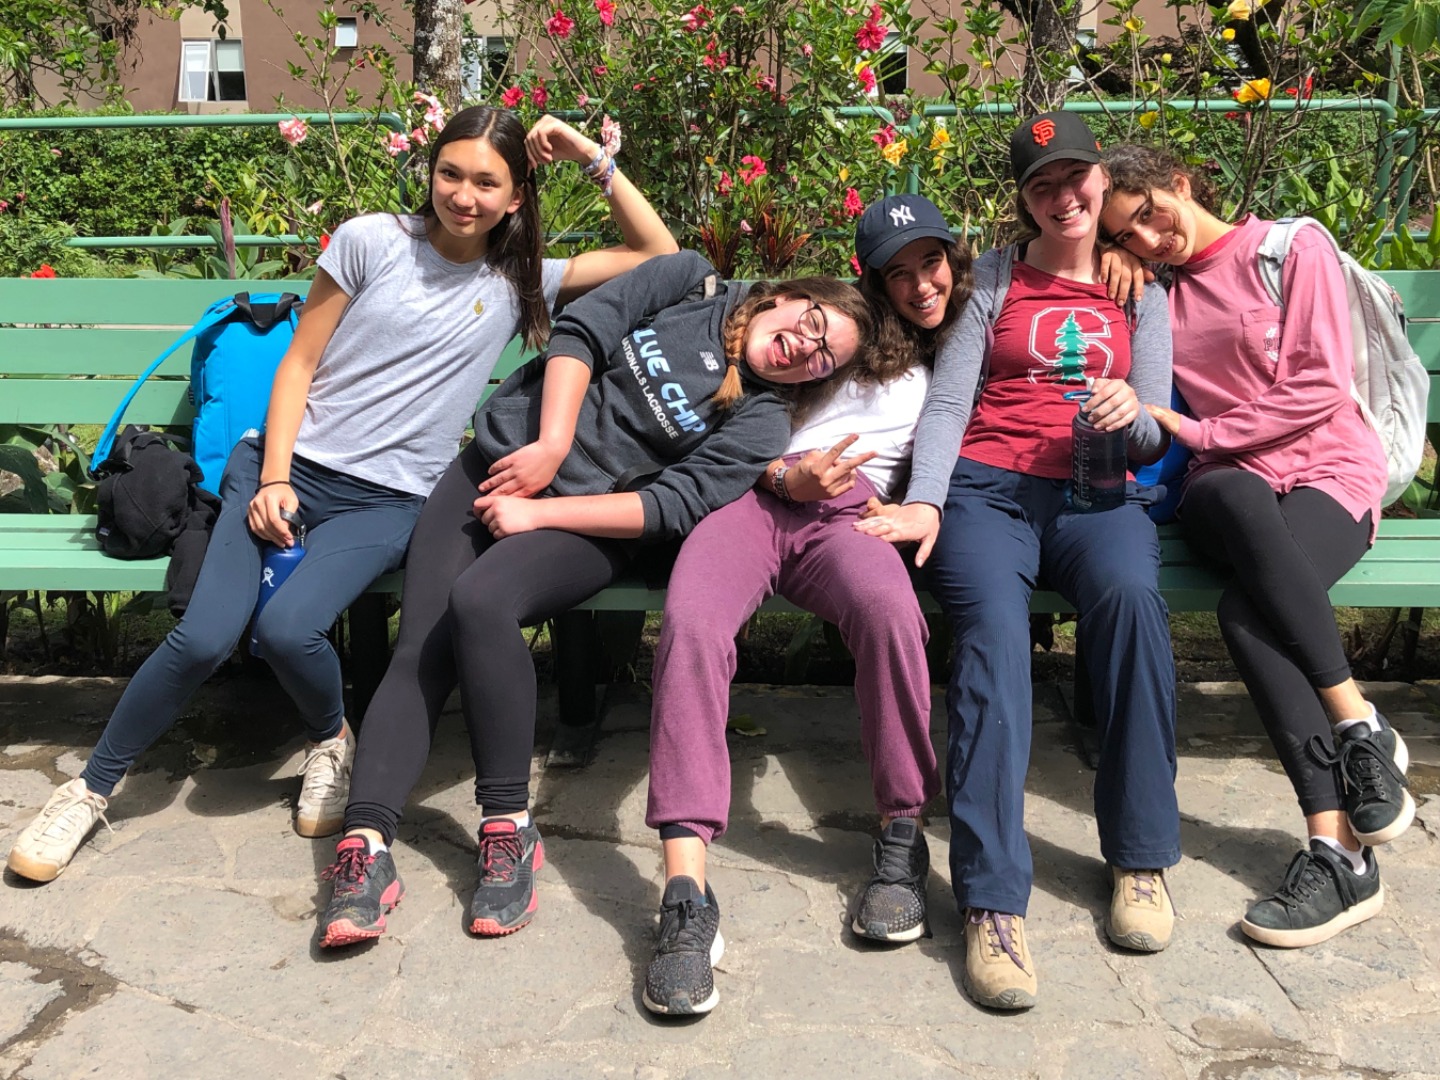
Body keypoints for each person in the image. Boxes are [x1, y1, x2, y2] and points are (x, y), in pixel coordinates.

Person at [5, 106, 677, 884]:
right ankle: (89, 791)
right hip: (284, 467)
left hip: (388, 502)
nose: (463, 195)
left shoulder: (521, 279)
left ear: (516, 196)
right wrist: (274, 478)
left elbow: (658, 255)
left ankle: (331, 738)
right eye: (450, 173)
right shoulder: (371, 241)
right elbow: (298, 363)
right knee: (203, 638)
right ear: (430, 170)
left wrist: (590, 154)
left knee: (290, 630)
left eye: (486, 182)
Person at [317, 251, 889, 948]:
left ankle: (508, 828)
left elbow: (672, 505)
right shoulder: (691, 281)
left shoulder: (761, 422)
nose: (805, 348)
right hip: (505, 460)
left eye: (824, 359)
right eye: (813, 323)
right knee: (421, 643)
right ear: (789, 296)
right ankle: (366, 844)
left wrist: (540, 513)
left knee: (482, 601)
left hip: (589, 527)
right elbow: (583, 329)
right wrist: (549, 447)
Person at [857, 111, 1179, 1011]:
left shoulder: (1140, 294)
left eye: (1075, 178)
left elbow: (1157, 425)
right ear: (1025, 201)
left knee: (1132, 604)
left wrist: (1133, 415)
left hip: (1097, 493)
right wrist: (927, 497)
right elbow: (950, 397)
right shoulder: (994, 278)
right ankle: (992, 904)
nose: (1063, 196)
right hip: (988, 492)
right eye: (1042, 185)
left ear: (1102, 182)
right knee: (994, 639)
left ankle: (1141, 860)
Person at [639, 194, 961, 1016]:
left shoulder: (962, 333)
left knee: (891, 613)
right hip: (752, 497)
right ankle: (685, 894)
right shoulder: (828, 336)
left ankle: (901, 835)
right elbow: (728, 426)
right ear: (868, 279)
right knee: (692, 625)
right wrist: (786, 474)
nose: (920, 285)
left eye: (931, 265)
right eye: (897, 272)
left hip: (851, 515)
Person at [1100, 143, 1410, 948]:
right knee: (1234, 494)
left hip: (1328, 469)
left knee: (1246, 613)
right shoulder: (1152, 287)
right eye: (1126, 234)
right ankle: (1360, 725)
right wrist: (1114, 259)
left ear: (1179, 182)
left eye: (1149, 214)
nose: (1148, 238)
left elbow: (1320, 383)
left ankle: (1339, 853)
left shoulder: (1290, 248)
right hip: (1227, 487)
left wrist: (1205, 430)